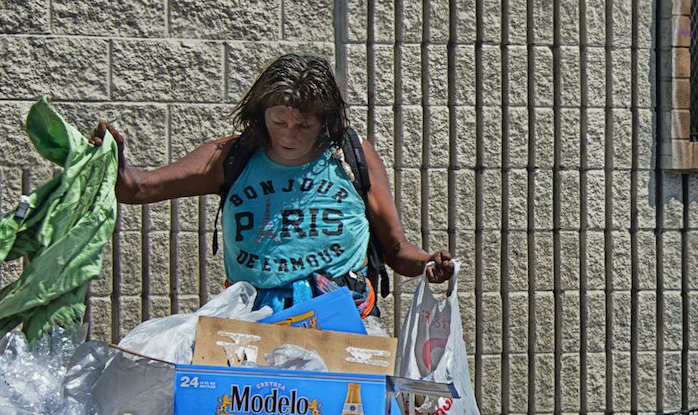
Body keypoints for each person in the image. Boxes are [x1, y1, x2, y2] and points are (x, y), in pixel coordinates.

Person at [90, 53, 453, 318]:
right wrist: (113, 159)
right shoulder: (231, 156)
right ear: (261, 115)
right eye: (279, 122)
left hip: (342, 317)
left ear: (325, 121)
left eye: (304, 126)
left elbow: (395, 247)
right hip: (252, 319)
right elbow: (138, 189)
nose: (290, 136)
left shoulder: (351, 156)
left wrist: (426, 263)